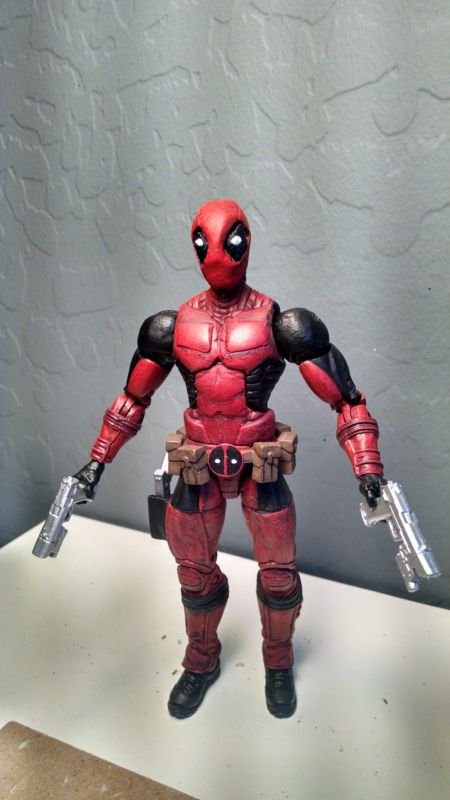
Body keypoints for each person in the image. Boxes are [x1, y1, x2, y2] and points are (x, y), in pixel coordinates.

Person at [73, 199, 383, 719]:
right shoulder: (172, 327)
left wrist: (368, 469)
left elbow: (346, 400)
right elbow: (132, 399)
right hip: (198, 464)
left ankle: (278, 660)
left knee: (278, 574)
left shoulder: (282, 324)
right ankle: (201, 660)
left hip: (260, 462)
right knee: (193, 573)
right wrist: (97, 461)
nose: (217, 255)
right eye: (205, 244)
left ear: (246, 242)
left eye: (229, 241)